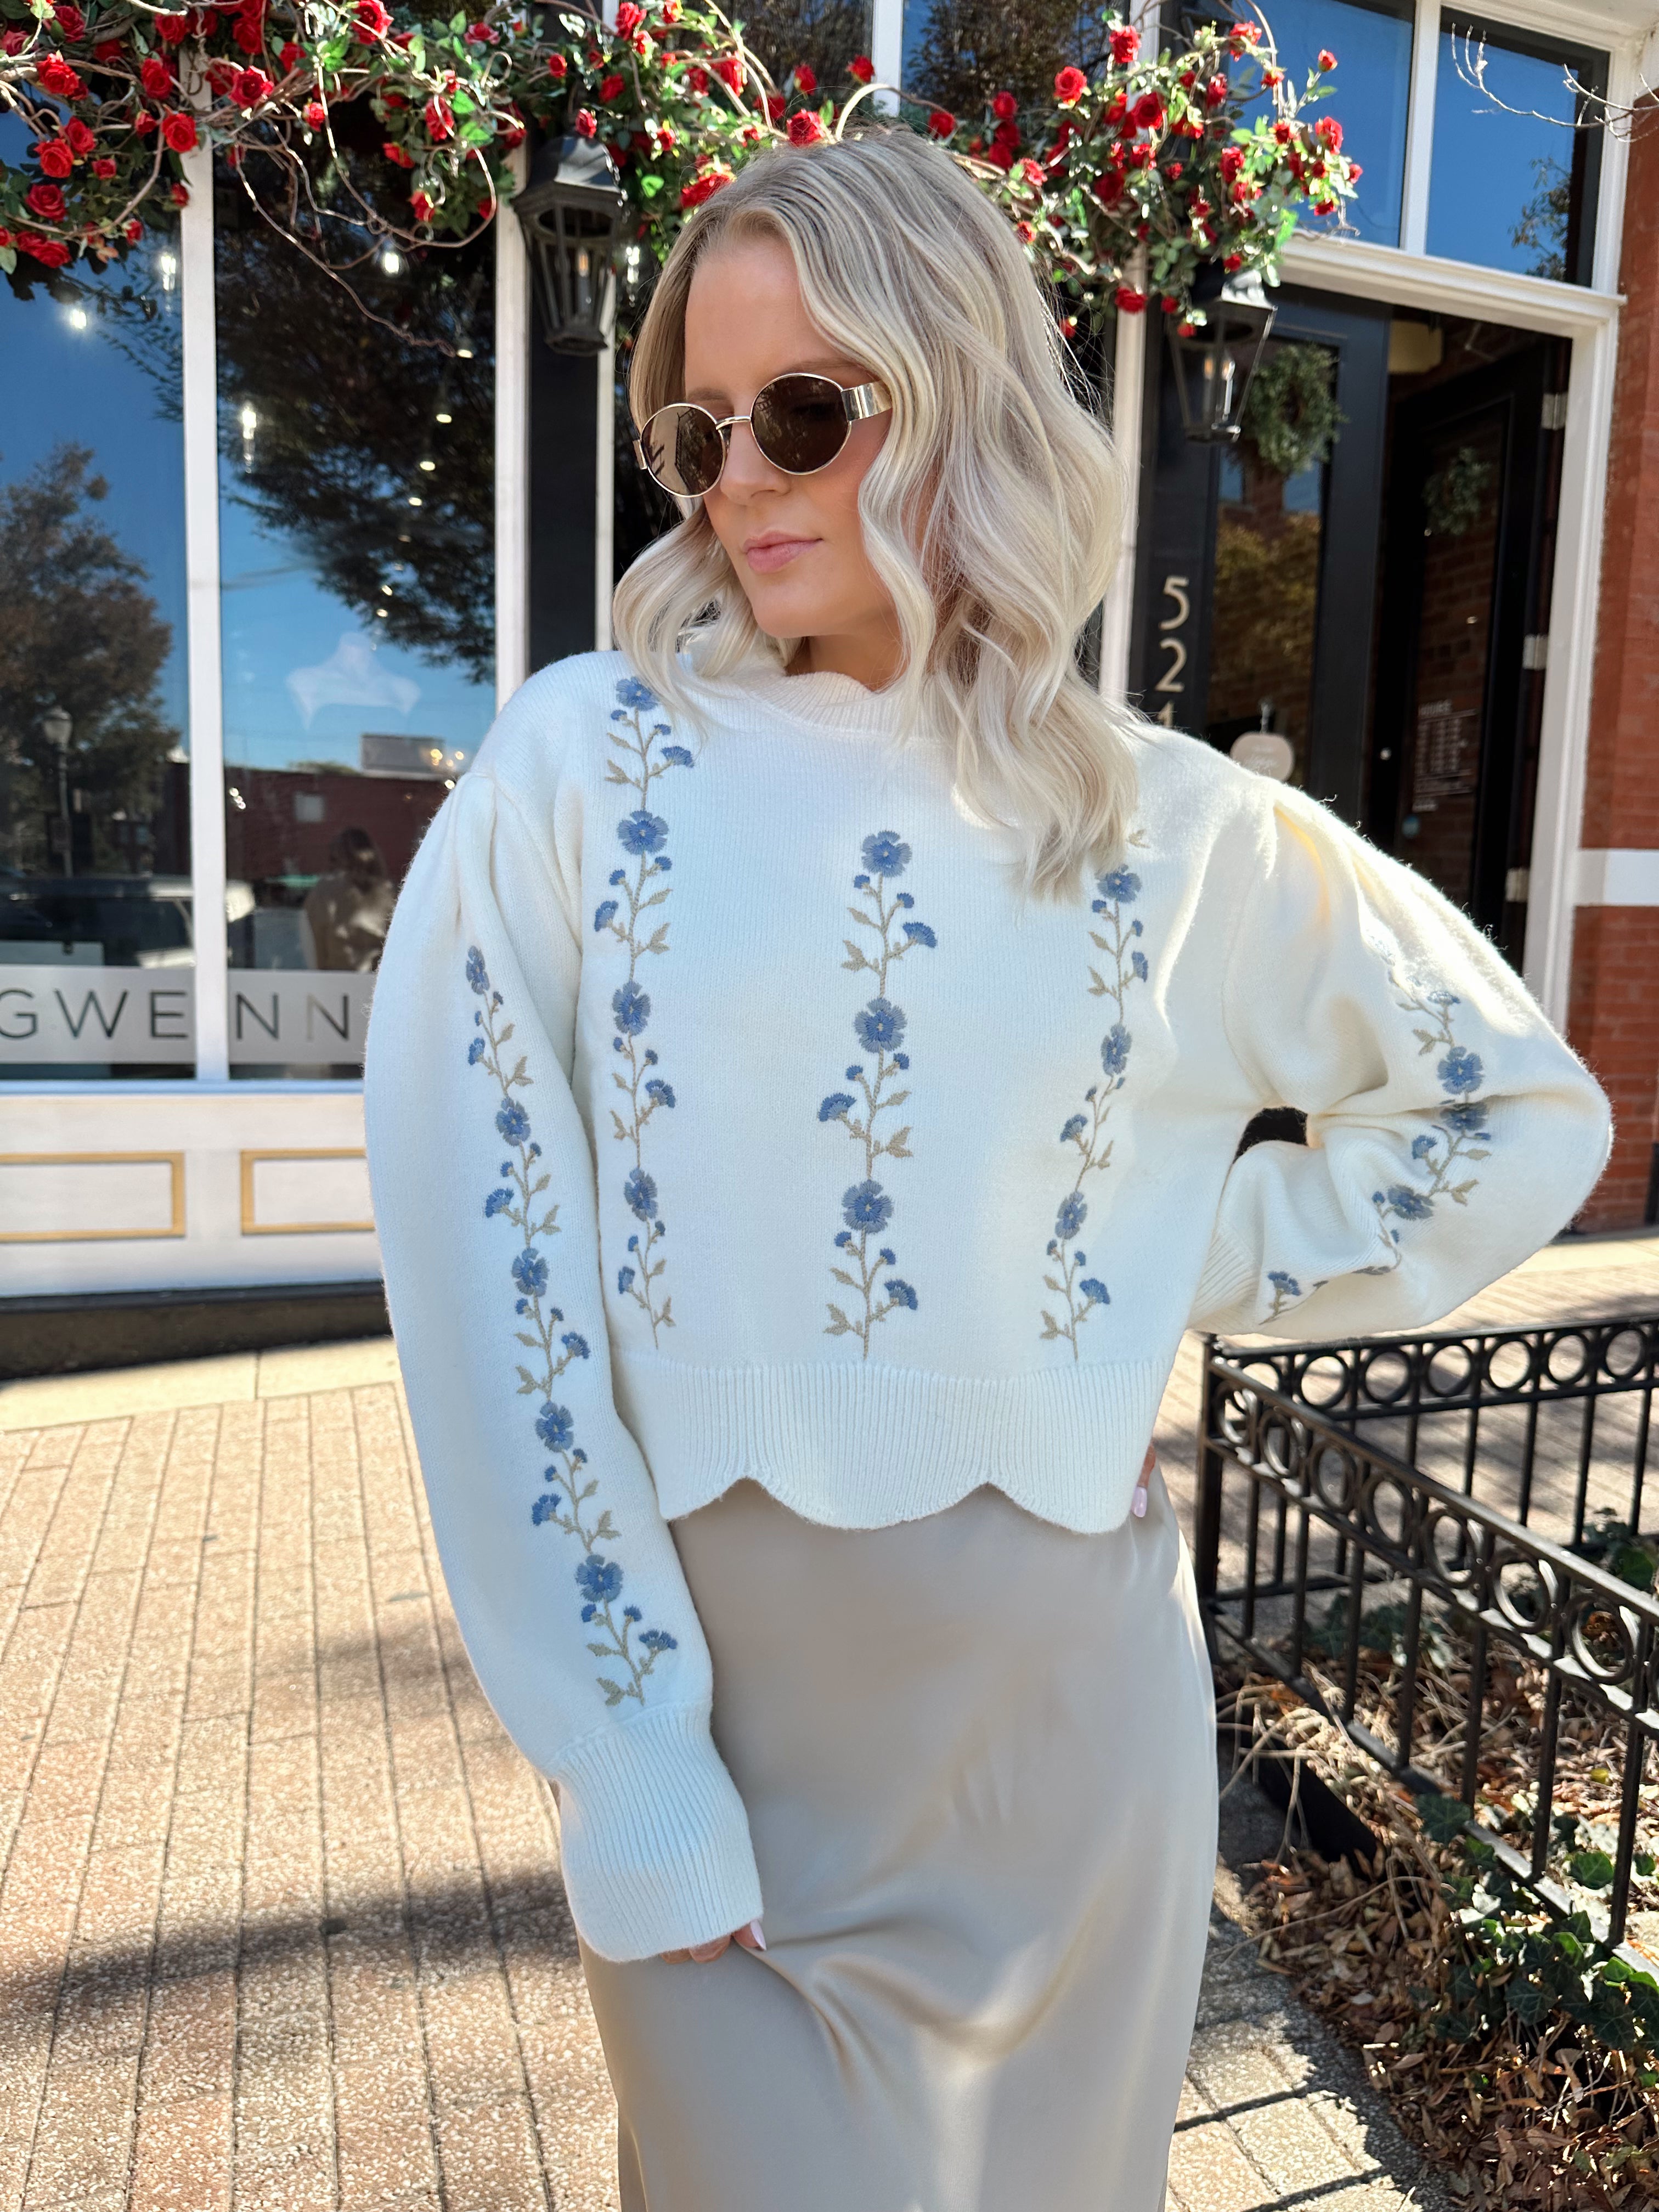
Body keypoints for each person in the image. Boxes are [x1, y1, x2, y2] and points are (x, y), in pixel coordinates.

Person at [363, 127, 1611, 2212]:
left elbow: (1510, 1111)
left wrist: (1169, 1252)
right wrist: (624, 1755)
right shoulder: (581, 772)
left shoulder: (1158, 823)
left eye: (799, 412)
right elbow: (492, 1274)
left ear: (954, 395)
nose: (737, 479)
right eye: (696, 430)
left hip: (1065, 1741)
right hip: (715, 1741)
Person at [302, 825, 395, 972]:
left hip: (334, 982)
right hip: (376, 983)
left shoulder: (324, 891)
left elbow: (315, 946)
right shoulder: (390, 893)